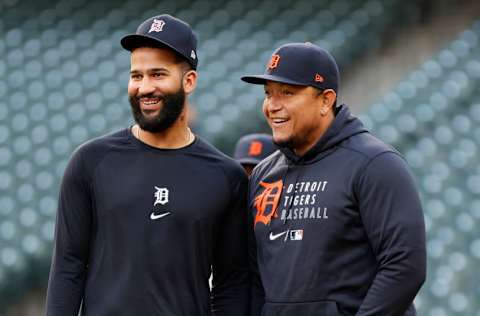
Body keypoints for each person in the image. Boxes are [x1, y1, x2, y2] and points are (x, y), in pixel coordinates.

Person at [46, 14, 249, 316]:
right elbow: (67, 266)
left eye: (157, 74)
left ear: (189, 81)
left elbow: (231, 284)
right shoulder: (90, 162)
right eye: (136, 76)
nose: (143, 88)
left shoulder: (226, 176)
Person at [241, 42, 426, 316]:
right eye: (268, 94)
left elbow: (405, 266)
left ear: (326, 100)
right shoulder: (263, 174)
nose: (272, 106)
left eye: (287, 93)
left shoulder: (375, 163)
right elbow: (254, 275)